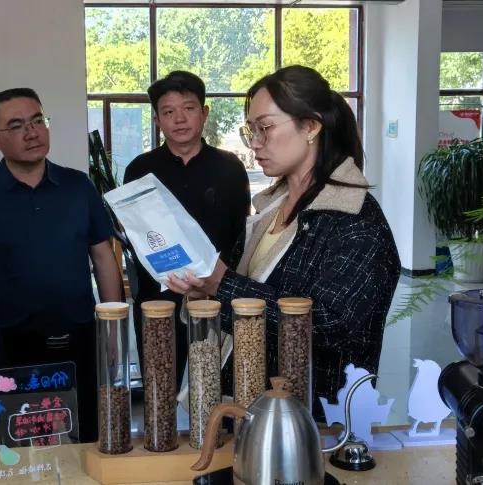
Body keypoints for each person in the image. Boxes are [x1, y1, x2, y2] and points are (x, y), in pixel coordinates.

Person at [166, 65, 401, 420]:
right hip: (249, 410)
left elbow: (331, 325)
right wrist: (204, 291)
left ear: (311, 126)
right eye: (251, 130)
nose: (255, 143)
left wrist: (222, 285)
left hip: (313, 424)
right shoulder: (269, 210)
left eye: (266, 127)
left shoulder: (356, 220)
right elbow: (242, 294)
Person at [0, 88, 122, 443]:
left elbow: (103, 257)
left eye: (38, 120)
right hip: (10, 347)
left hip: (77, 338)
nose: (32, 132)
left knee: (88, 436)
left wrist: (113, 329)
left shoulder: (78, 187)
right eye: (16, 125)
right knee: (21, 445)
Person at [123, 71, 251, 389]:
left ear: (204, 113)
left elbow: (241, 236)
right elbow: (137, 238)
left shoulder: (231, 167)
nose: (179, 119)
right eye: (168, 112)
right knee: (160, 384)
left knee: (214, 385)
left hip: (216, 298)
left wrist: (216, 284)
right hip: (158, 301)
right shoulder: (139, 170)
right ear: (157, 120)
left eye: (189, 108)